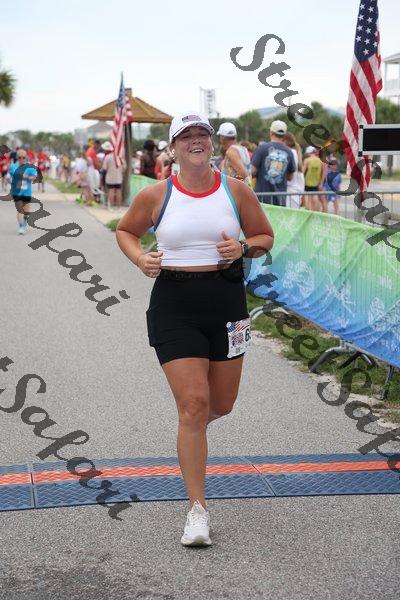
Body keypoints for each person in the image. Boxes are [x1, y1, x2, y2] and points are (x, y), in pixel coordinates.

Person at [116, 112, 274, 547]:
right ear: (173, 148)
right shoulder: (156, 194)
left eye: (202, 133)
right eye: (186, 136)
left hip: (227, 302)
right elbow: (126, 230)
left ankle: (191, 437)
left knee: (221, 404)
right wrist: (140, 258)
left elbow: (265, 236)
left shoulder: (235, 190)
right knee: (193, 404)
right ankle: (197, 511)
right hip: (174, 305)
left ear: (213, 143)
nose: (196, 141)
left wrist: (243, 247)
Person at [251, 120, 295, 206]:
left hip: (262, 200)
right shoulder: (289, 152)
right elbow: (290, 177)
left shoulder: (262, 148)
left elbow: (252, 171)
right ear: (284, 135)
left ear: (271, 133)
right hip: (280, 200)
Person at [7, 149, 37, 234]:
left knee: (26, 211)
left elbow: (34, 177)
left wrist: (27, 177)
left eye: (23, 157)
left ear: (26, 157)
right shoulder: (13, 166)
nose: (21, 159)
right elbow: (9, 175)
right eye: (19, 157)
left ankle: (24, 224)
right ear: (17, 157)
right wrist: (9, 179)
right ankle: (21, 227)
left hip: (27, 192)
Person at [282, 131, 305, 208]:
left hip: (290, 195)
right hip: (296, 195)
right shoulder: (295, 153)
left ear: (284, 141)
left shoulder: (290, 153)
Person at [101, 141, 126, 209]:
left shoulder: (107, 157)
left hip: (110, 177)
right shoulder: (119, 157)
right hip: (119, 177)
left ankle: (111, 206)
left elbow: (104, 168)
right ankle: (119, 206)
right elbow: (124, 167)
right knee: (118, 191)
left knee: (111, 191)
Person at [303, 146, 326, 212]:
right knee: (316, 199)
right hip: (316, 183)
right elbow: (323, 173)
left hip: (307, 183)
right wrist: (321, 183)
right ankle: (315, 213)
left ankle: (307, 213)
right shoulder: (320, 161)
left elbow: (303, 171)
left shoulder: (307, 160)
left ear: (308, 153)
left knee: (307, 199)